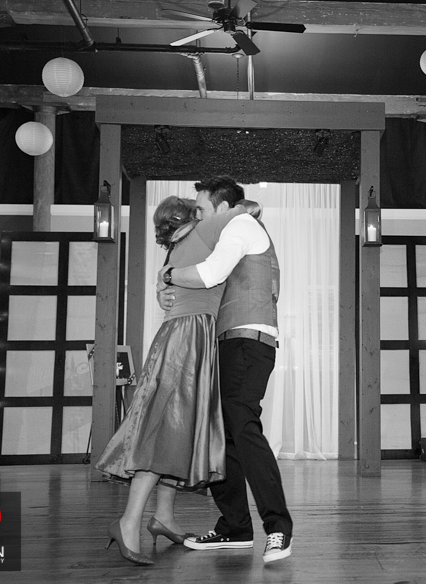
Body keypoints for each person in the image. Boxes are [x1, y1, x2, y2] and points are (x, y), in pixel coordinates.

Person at [96, 196, 254, 566]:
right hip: (187, 339)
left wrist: (161, 282)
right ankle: (128, 521)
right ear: (190, 217)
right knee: (165, 432)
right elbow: (249, 209)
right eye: (198, 209)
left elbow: (172, 289)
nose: (204, 214)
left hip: (188, 337)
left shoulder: (175, 253)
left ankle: (163, 517)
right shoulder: (202, 234)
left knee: (178, 433)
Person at [156, 175, 293, 563]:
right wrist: (163, 286)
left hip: (249, 341)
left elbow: (209, 274)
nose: (196, 218)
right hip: (225, 343)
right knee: (225, 436)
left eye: (200, 210)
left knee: (243, 427)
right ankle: (235, 528)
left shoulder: (242, 224)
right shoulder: (218, 235)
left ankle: (279, 527)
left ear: (222, 207)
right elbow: (188, 280)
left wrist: (167, 276)